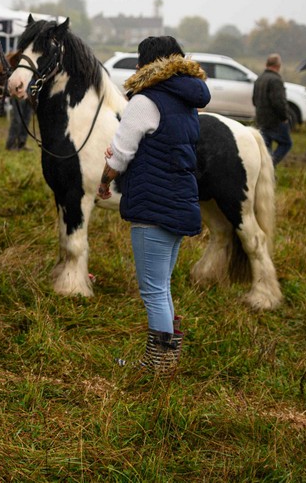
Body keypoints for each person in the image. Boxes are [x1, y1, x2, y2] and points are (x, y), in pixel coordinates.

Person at [96, 36, 210, 373]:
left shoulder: (146, 101)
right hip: (179, 203)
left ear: (147, 64)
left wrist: (105, 179)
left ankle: (157, 366)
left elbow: (120, 153)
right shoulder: (186, 101)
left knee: (153, 290)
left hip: (153, 207)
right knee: (162, 286)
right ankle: (166, 359)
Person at [252, 53, 292, 165]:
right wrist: (284, 117)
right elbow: (279, 102)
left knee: (266, 148)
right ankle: (270, 166)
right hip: (274, 121)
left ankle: (265, 169)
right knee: (286, 144)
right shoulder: (276, 80)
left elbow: (254, 100)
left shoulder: (259, 79)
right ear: (278, 65)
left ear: (266, 64)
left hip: (261, 119)